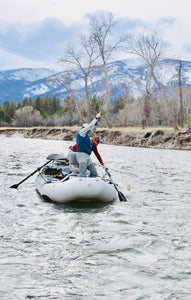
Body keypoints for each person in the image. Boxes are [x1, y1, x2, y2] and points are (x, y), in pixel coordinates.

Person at [75, 112, 101, 177]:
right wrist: (96, 118)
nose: (90, 131)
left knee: (94, 173)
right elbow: (90, 126)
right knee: (82, 173)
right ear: (85, 128)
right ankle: (81, 185)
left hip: (87, 157)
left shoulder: (85, 134)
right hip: (81, 156)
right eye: (88, 130)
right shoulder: (81, 132)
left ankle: (90, 185)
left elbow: (93, 131)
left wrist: (96, 123)